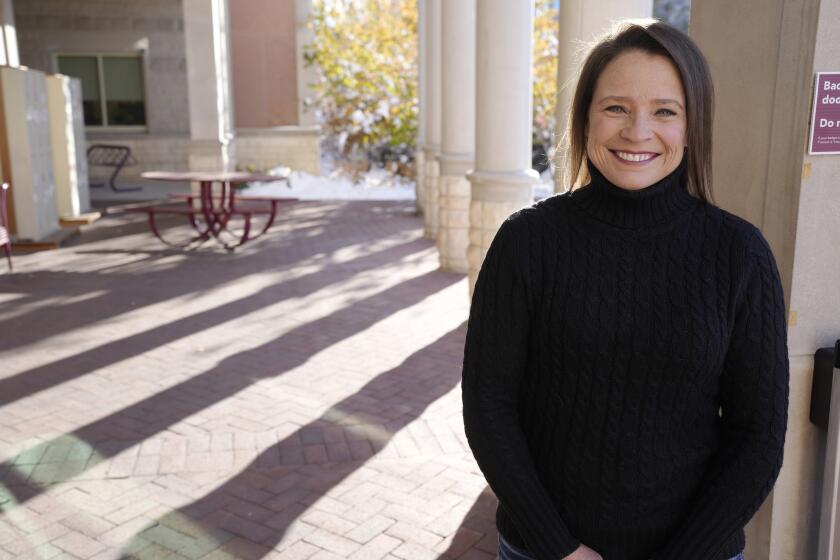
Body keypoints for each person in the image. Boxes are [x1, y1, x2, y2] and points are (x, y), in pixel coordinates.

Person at [461, 19, 789, 560]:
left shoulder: (739, 254)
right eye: (616, 107)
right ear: (586, 117)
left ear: (692, 125)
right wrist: (559, 547)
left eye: (665, 111)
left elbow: (757, 436)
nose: (638, 131)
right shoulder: (527, 242)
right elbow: (489, 406)